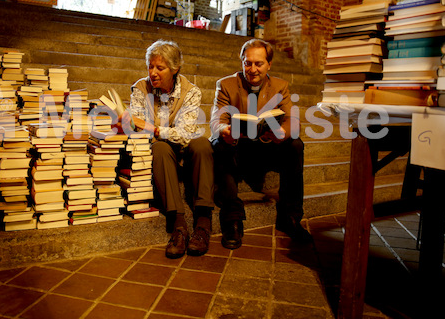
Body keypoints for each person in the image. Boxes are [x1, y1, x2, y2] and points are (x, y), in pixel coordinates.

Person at [209, 38, 312, 249]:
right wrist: (224, 131)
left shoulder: (280, 86)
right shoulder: (226, 85)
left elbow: (293, 120)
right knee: (219, 145)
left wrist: (282, 133)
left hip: (267, 147)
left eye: (259, 63)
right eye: (248, 63)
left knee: (296, 145)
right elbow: (216, 121)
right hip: (238, 148)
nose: (252, 69)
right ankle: (232, 219)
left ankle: (290, 217)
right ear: (242, 63)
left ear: (269, 64)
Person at [125, 39, 215, 259]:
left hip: (186, 153)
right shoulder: (140, 88)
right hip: (162, 154)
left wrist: (155, 129)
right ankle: (179, 225)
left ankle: (203, 221)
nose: (153, 73)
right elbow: (137, 127)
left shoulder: (191, 91)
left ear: (175, 70)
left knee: (202, 143)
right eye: (150, 66)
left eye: (160, 68)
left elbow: (184, 135)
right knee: (161, 148)